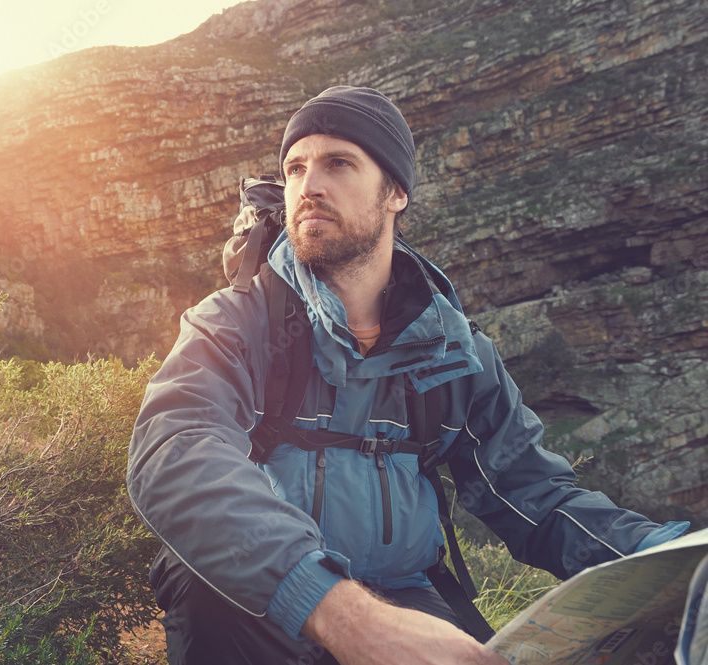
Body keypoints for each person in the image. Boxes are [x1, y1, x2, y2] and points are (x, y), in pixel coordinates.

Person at [126, 86, 688, 665]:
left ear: (395, 192)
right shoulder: (237, 321)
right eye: (295, 168)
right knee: (201, 585)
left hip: (405, 594)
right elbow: (175, 445)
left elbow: (533, 496)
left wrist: (663, 555)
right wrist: (339, 612)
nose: (308, 186)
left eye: (338, 163)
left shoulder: (453, 352)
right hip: (265, 601)